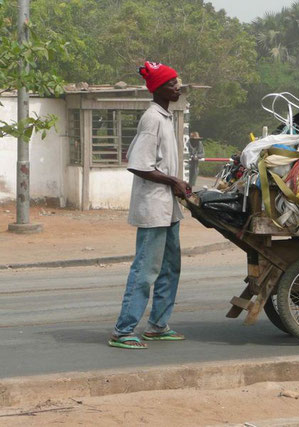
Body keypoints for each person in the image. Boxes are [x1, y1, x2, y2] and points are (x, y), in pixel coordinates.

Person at [108, 61, 190, 350]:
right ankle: (124, 329)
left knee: (170, 268)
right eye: (172, 84)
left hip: (168, 208)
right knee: (146, 270)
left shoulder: (167, 116)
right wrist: (173, 181)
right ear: (159, 89)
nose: (178, 87)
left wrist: (177, 184)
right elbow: (139, 165)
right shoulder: (152, 118)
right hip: (153, 208)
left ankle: (157, 325)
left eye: (177, 82)